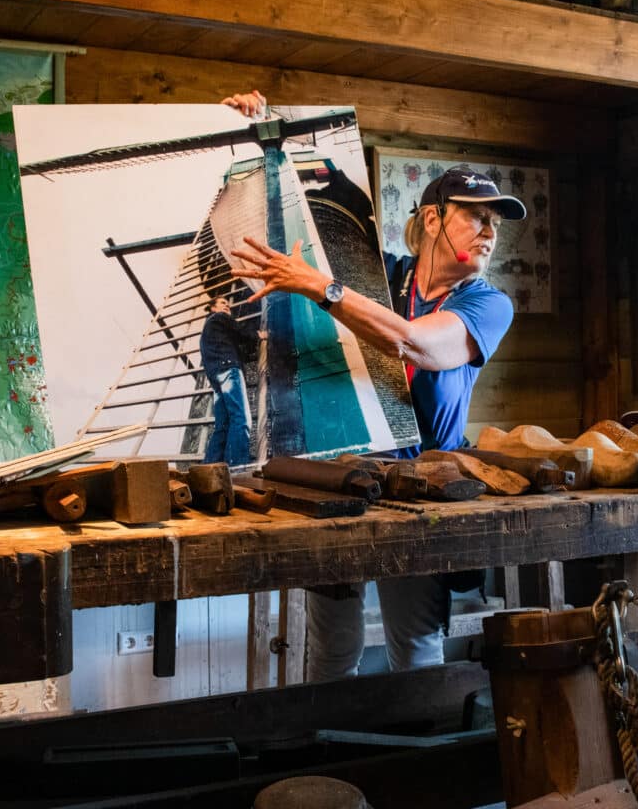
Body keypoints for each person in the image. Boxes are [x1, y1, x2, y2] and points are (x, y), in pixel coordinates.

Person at [221, 110, 527, 679]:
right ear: (432, 219)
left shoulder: (489, 303)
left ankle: (410, 759)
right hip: (340, 479)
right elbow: (297, 214)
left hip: (421, 493)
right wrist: (259, 125)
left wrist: (320, 285)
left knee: (414, 651)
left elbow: (417, 344)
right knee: (332, 648)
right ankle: (328, 758)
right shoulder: (379, 276)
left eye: (496, 223)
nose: (491, 231)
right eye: (477, 217)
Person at [200, 295, 262, 467]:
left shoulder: (208, 328)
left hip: (216, 375)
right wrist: (258, 334)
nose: (227, 306)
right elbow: (240, 331)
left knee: (223, 426)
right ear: (212, 308)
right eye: (223, 303)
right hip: (228, 369)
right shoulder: (220, 318)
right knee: (241, 419)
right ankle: (236, 470)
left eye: (228, 304)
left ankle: (209, 469)